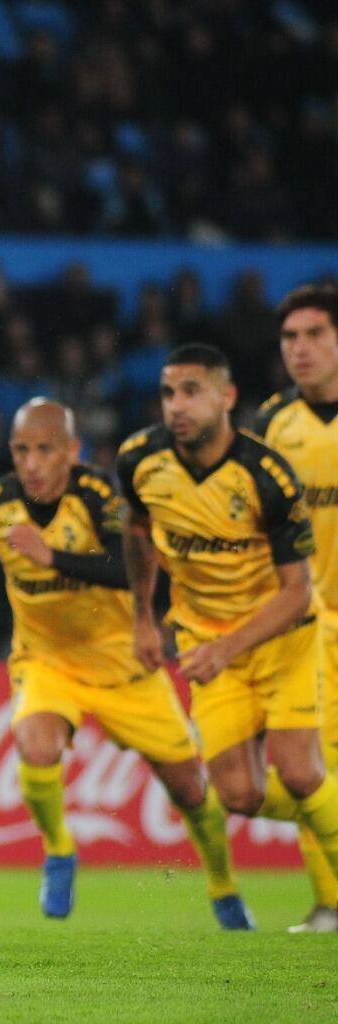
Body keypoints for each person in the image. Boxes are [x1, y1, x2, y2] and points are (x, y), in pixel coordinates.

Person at [0, 399, 246, 927]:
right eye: (21, 451)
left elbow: (126, 568)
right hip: (46, 661)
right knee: (35, 745)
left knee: (189, 788)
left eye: (45, 450)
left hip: (121, 662)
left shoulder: (101, 495)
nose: (32, 464)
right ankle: (59, 849)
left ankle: (223, 887)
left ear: (72, 451)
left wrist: (50, 557)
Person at [117, 344, 338, 927]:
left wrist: (224, 648)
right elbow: (136, 530)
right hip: (205, 645)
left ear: (227, 397)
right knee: (239, 795)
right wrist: (142, 617)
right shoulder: (140, 460)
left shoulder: (267, 475)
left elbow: (297, 592)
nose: (176, 406)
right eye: (168, 393)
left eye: (191, 391)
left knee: (300, 772)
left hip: (283, 640)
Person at [250, 285, 338, 932]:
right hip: (312, 621)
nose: (300, 349)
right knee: (312, 766)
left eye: (314, 334)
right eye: (289, 338)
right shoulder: (274, 424)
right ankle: (330, 903)